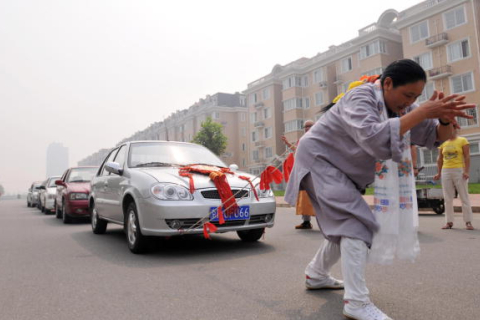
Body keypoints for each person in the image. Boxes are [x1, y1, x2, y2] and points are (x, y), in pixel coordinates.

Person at [284, 59, 474, 320]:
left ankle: (316, 275)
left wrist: (441, 118)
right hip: (320, 160)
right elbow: (373, 137)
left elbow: (435, 136)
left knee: (346, 224)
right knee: (355, 223)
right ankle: (356, 302)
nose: (410, 102)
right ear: (387, 84)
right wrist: (422, 111)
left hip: (344, 170)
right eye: (407, 95)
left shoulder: (401, 106)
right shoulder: (359, 96)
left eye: (416, 97)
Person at [433, 131, 474, 230]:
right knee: (447, 198)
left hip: (459, 170)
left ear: (455, 129)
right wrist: (438, 173)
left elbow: (467, 156)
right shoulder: (443, 143)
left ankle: (468, 222)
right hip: (446, 171)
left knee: (464, 196)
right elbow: (440, 159)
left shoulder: (462, 140)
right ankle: (449, 222)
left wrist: (466, 171)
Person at [282, 120, 316, 229]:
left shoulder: (317, 138)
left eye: (309, 126)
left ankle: (326, 222)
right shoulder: (302, 140)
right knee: (303, 197)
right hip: (303, 173)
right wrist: (287, 144)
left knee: (317, 198)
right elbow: (298, 151)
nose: (307, 128)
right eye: (305, 127)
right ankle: (306, 222)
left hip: (314, 173)